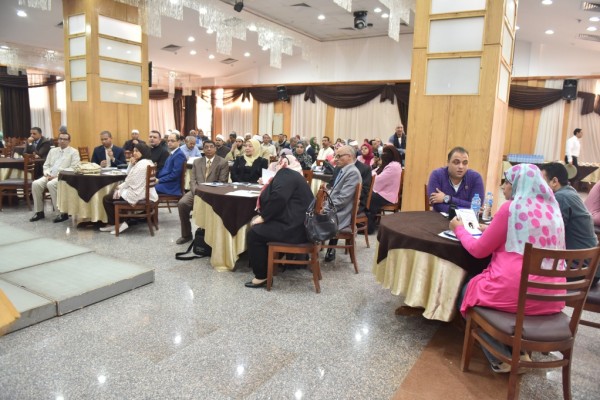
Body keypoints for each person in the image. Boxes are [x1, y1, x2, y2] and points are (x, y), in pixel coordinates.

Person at [450, 164, 566, 373]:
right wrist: (491, 229)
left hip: (516, 293)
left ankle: (502, 357)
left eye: (507, 183)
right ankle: (520, 350)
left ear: (519, 184)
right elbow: (529, 236)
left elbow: (478, 250)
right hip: (551, 297)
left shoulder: (511, 208)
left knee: (467, 293)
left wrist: (459, 229)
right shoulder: (552, 209)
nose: (503, 187)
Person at [245, 155, 314, 288]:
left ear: (282, 164)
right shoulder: (293, 174)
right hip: (300, 225)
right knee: (260, 229)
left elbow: (279, 197)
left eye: (277, 162)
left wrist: (264, 217)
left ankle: (261, 276)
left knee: (254, 233)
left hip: (295, 229)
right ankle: (269, 266)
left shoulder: (285, 173)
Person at [540, 163, 599, 287]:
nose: (538, 186)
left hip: (579, 270)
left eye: (541, 181)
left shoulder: (561, 198)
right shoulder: (569, 192)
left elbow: (550, 235)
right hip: (590, 267)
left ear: (554, 181)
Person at [176, 140, 229, 244]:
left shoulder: (222, 162)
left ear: (215, 149)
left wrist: (206, 192)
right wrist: (196, 192)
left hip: (213, 193)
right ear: (203, 149)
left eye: (211, 147)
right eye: (206, 147)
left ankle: (213, 236)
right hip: (196, 192)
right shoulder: (197, 162)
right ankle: (186, 235)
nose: (209, 149)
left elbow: (222, 182)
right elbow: (192, 180)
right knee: (182, 203)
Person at [100, 143, 157, 235]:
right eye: (133, 151)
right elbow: (129, 175)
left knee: (107, 198)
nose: (134, 153)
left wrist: (120, 187)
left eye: (137, 151)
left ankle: (119, 223)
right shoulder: (147, 162)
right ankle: (117, 223)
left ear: (143, 152)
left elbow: (130, 180)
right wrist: (131, 164)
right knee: (113, 194)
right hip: (143, 192)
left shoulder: (141, 165)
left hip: (137, 194)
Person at [29, 132, 80, 223]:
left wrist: (57, 175)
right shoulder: (52, 151)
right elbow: (46, 165)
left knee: (51, 184)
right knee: (35, 183)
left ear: (69, 141)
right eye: (60, 139)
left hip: (64, 176)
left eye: (65, 139)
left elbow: (74, 168)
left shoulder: (74, 152)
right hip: (49, 175)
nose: (62, 141)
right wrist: (47, 174)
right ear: (58, 140)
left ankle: (61, 213)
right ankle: (39, 212)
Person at [323, 145, 362, 262]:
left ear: (349, 156)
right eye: (335, 156)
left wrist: (325, 209)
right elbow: (337, 193)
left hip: (340, 215)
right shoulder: (345, 170)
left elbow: (342, 200)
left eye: (339, 156)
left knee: (305, 219)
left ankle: (302, 255)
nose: (335, 159)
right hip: (336, 211)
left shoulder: (352, 173)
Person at [427, 146, 485, 213]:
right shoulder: (437, 175)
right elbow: (436, 205)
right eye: (456, 162)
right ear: (448, 163)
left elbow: (477, 207)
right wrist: (462, 210)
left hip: (466, 219)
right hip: (439, 217)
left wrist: (447, 198)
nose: (461, 167)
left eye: (465, 163)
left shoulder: (475, 178)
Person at [365, 146, 403, 233]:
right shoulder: (388, 164)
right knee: (366, 194)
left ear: (392, 154)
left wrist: (373, 175)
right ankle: (368, 223)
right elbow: (374, 171)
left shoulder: (394, 166)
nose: (383, 155)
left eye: (385, 153)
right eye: (383, 153)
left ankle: (369, 227)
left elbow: (378, 180)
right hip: (383, 191)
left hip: (387, 194)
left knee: (368, 197)